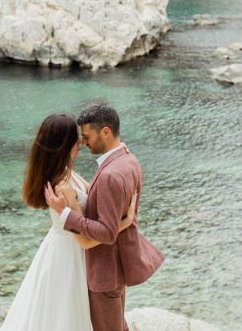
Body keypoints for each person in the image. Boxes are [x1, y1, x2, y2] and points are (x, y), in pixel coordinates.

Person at [0, 113, 137, 331]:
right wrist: (126, 221)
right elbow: (84, 240)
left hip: (63, 247)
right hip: (70, 253)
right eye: (76, 138)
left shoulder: (65, 172)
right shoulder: (62, 186)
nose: (81, 142)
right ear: (65, 144)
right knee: (66, 314)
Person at [45, 104, 165, 331]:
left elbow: (107, 233)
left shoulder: (110, 174)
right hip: (117, 265)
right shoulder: (129, 160)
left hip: (106, 269)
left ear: (106, 132)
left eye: (87, 136)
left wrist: (66, 214)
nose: (83, 142)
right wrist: (126, 222)